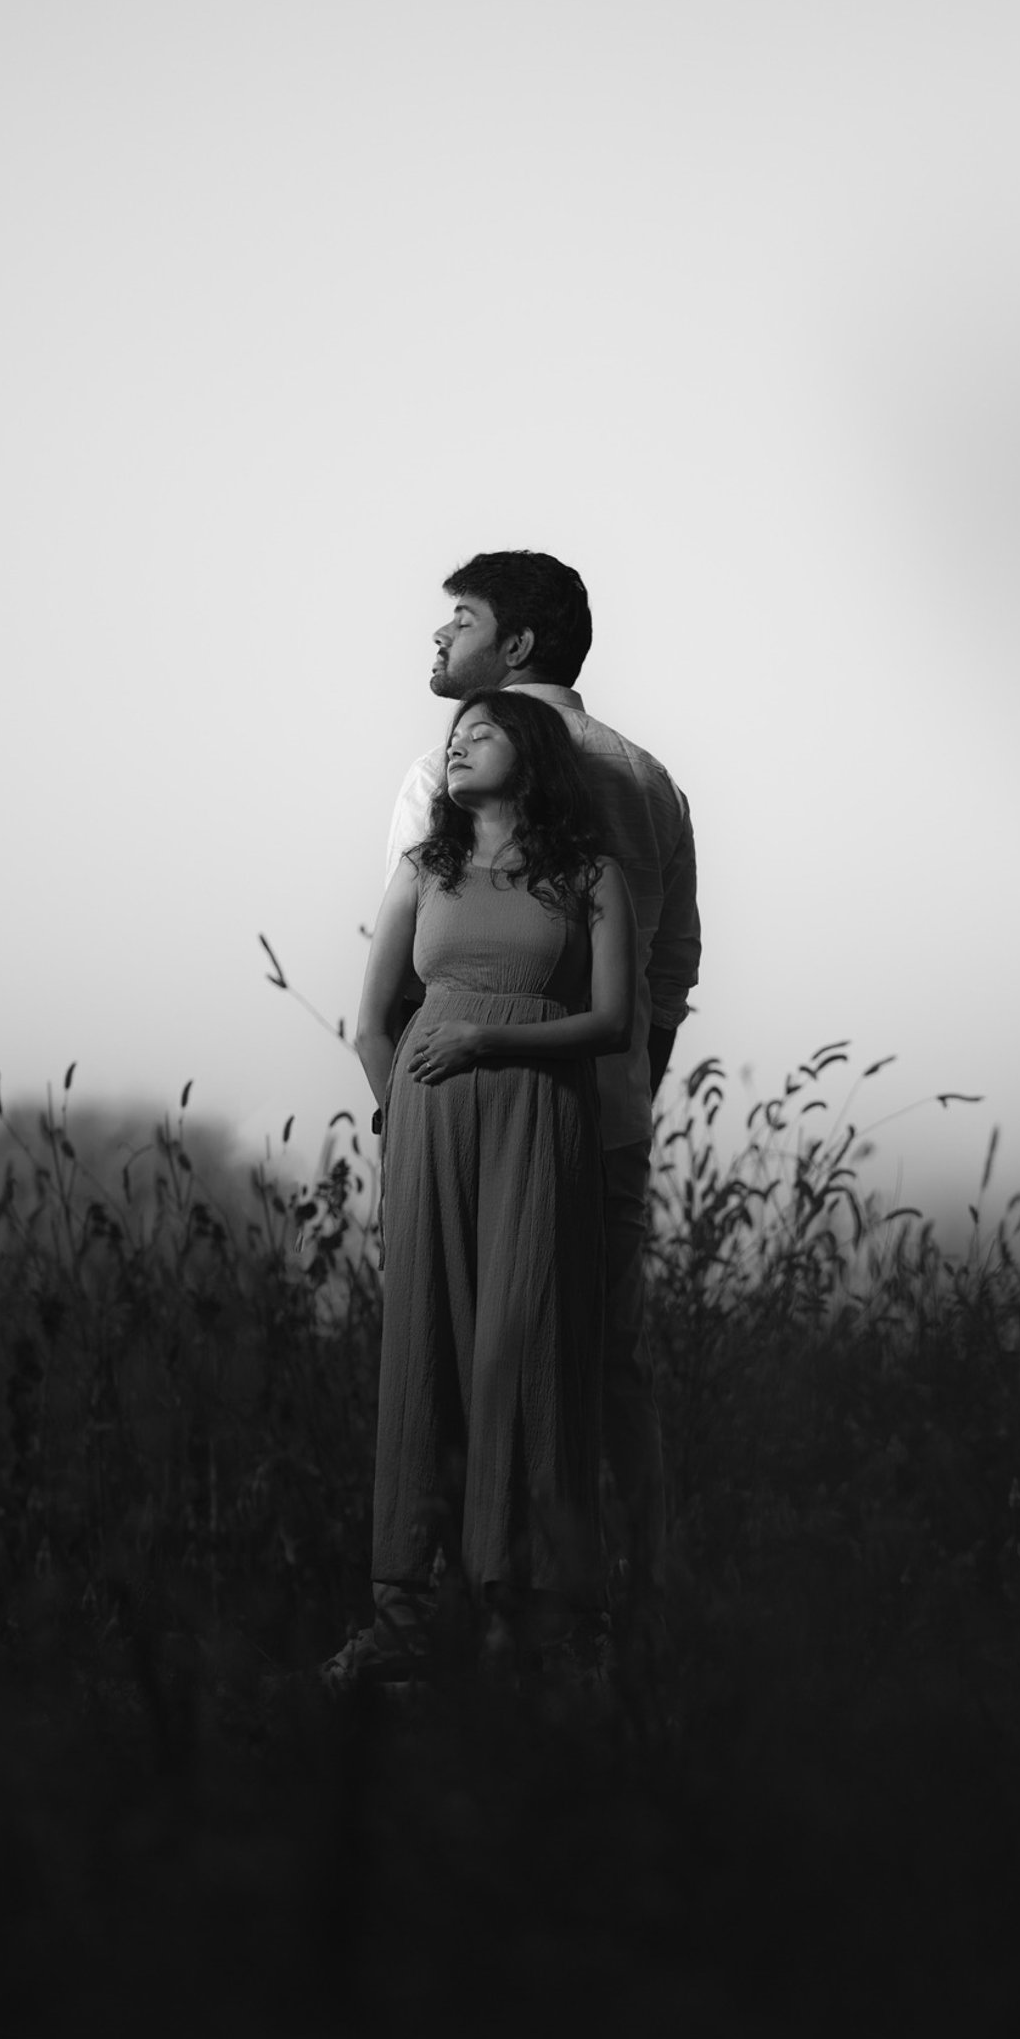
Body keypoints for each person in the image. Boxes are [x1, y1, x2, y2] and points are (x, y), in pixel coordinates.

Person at [377, 552, 700, 1644]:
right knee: (602, 1367)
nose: (439, 636)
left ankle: (456, 1604)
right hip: (602, 1118)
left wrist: (412, 1108)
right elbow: (669, 974)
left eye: (460, 619)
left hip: (465, 1114)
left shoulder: (442, 771)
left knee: (458, 1351)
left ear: (515, 647)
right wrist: (622, 1092)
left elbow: (414, 970)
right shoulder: (650, 780)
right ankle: (620, 1613)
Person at [321, 687, 635, 1691]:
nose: (457, 747)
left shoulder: (590, 875)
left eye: (482, 732)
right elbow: (371, 1023)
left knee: (530, 1347)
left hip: (542, 1119)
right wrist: (401, 1114)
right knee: (425, 1345)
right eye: (454, 737)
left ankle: (533, 1614)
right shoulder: (425, 871)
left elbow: (613, 1022)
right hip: (429, 1122)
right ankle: (406, 1612)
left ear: (530, 753)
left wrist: (486, 1038)